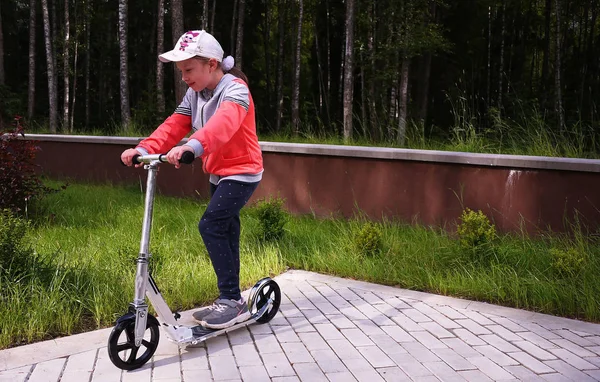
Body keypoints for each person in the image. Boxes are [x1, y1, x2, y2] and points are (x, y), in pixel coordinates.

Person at [120, 30, 263, 330]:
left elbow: (222, 126)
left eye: (188, 70)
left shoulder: (236, 90)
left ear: (211, 64)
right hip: (219, 173)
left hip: (243, 172)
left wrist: (192, 146)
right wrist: (144, 148)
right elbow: (174, 124)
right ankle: (233, 298)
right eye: (181, 71)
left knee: (211, 225)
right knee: (226, 231)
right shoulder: (195, 94)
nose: (184, 77)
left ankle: (230, 301)